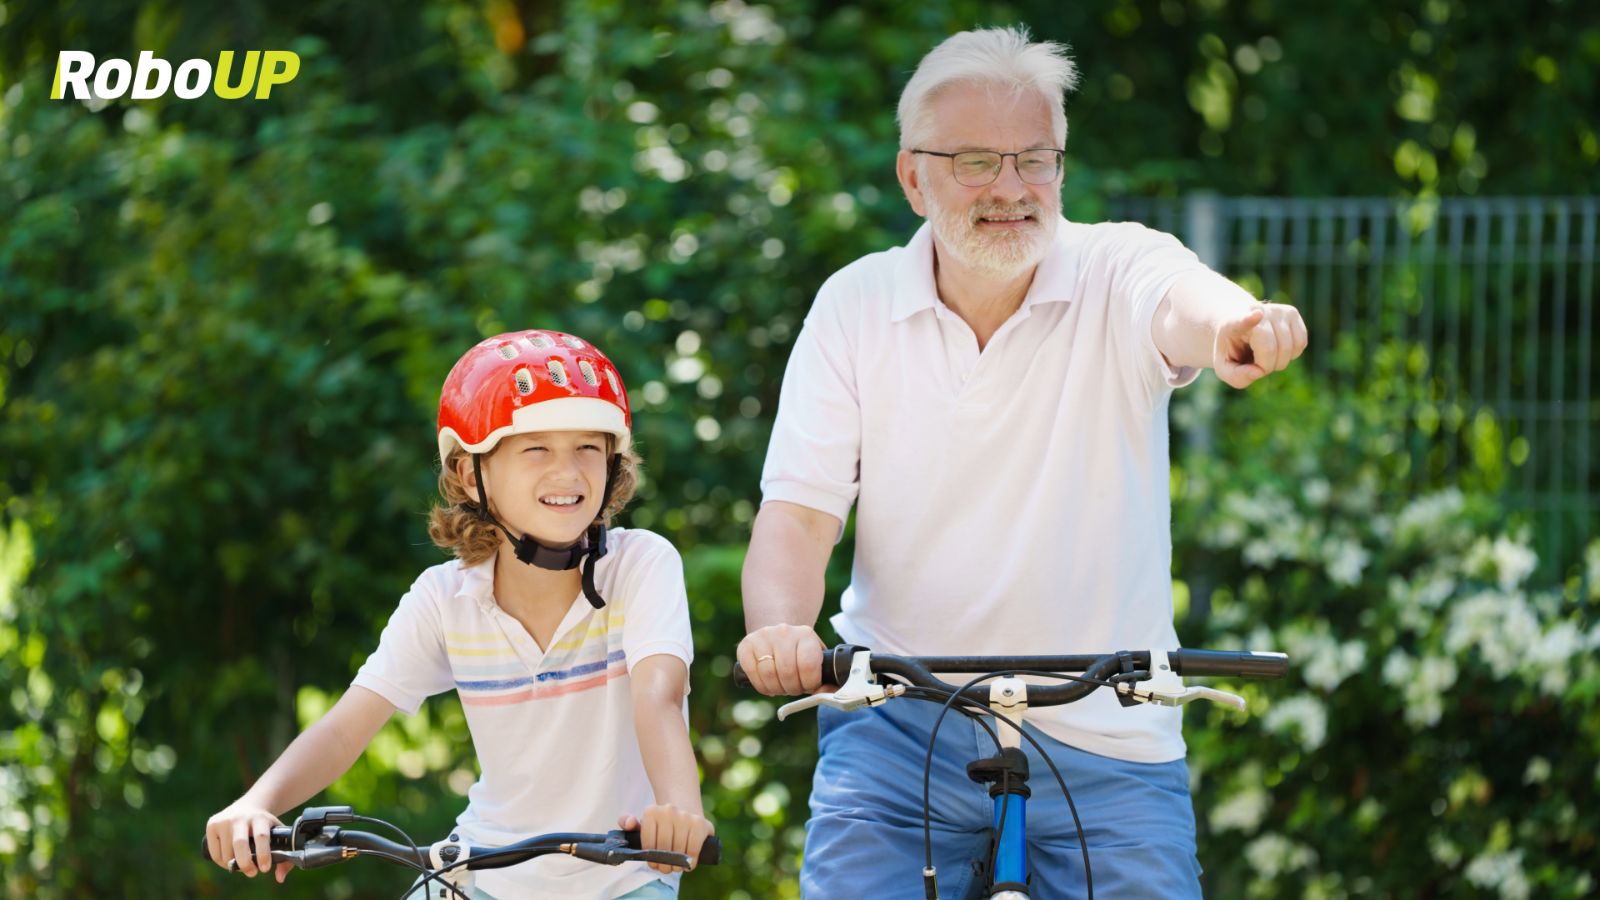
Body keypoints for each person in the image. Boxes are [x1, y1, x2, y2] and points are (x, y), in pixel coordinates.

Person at [736, 26, 1307, 899]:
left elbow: (1187, 300)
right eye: (974, 161)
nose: (1010, 188)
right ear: (912, 175)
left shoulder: (1118, 268)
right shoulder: (854, 306)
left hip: (1110, 733)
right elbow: (802, 513)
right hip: (897, 723)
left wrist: (1241, 321)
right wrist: (779, 625)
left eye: (1034, 159)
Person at [205, 329, 712, 899]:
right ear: (471, 473)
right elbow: (347, 727)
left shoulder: (641, 566)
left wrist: (679, 812)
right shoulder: (445, 600)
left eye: (587, 448)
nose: (567, 472)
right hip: (479, 875)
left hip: (623, 877)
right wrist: (258, 803)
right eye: (536, 448)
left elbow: (659, 696)